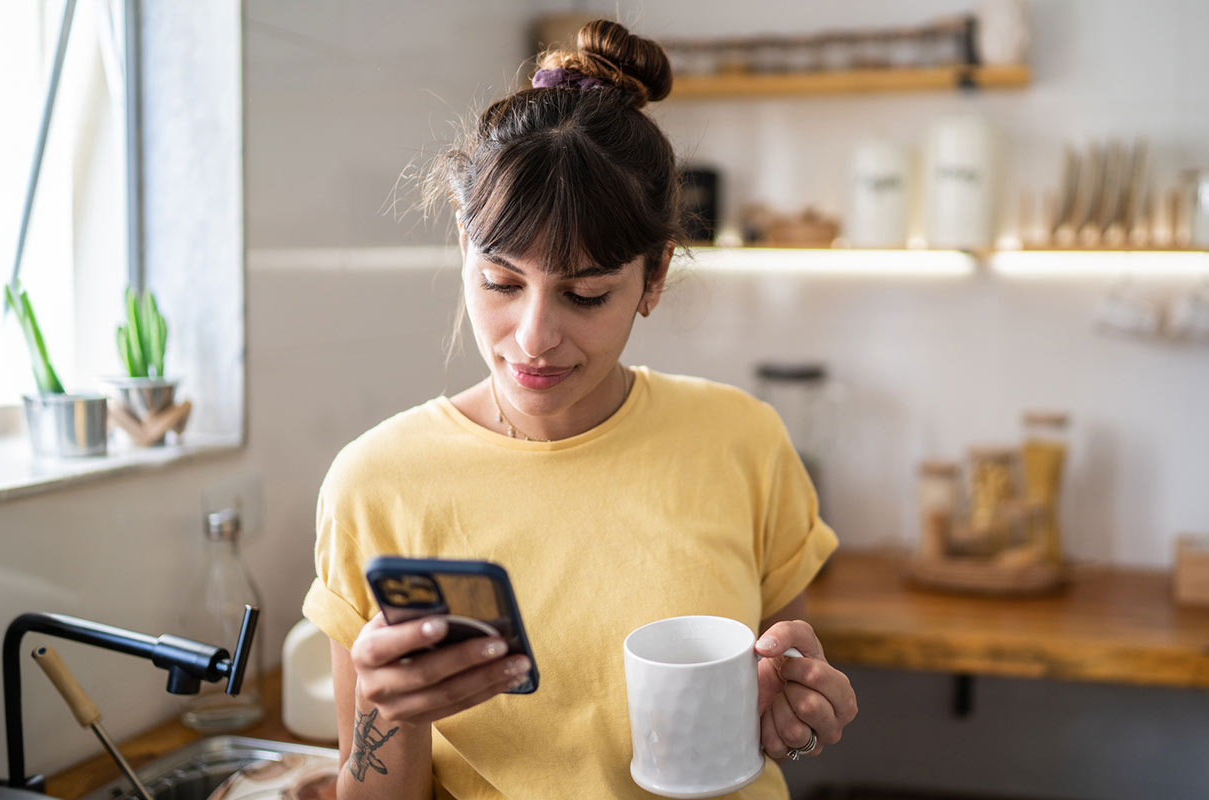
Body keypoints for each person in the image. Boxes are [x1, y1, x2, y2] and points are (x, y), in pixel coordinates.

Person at [301, 20, 856, 800]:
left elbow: (781, 682)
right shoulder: (375, 483)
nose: (533, 337)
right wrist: (394, 717)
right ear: (464, 246)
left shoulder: (743, 440)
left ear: (654, 275)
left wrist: (794, 711)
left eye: (585, 293)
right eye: (500, 281)